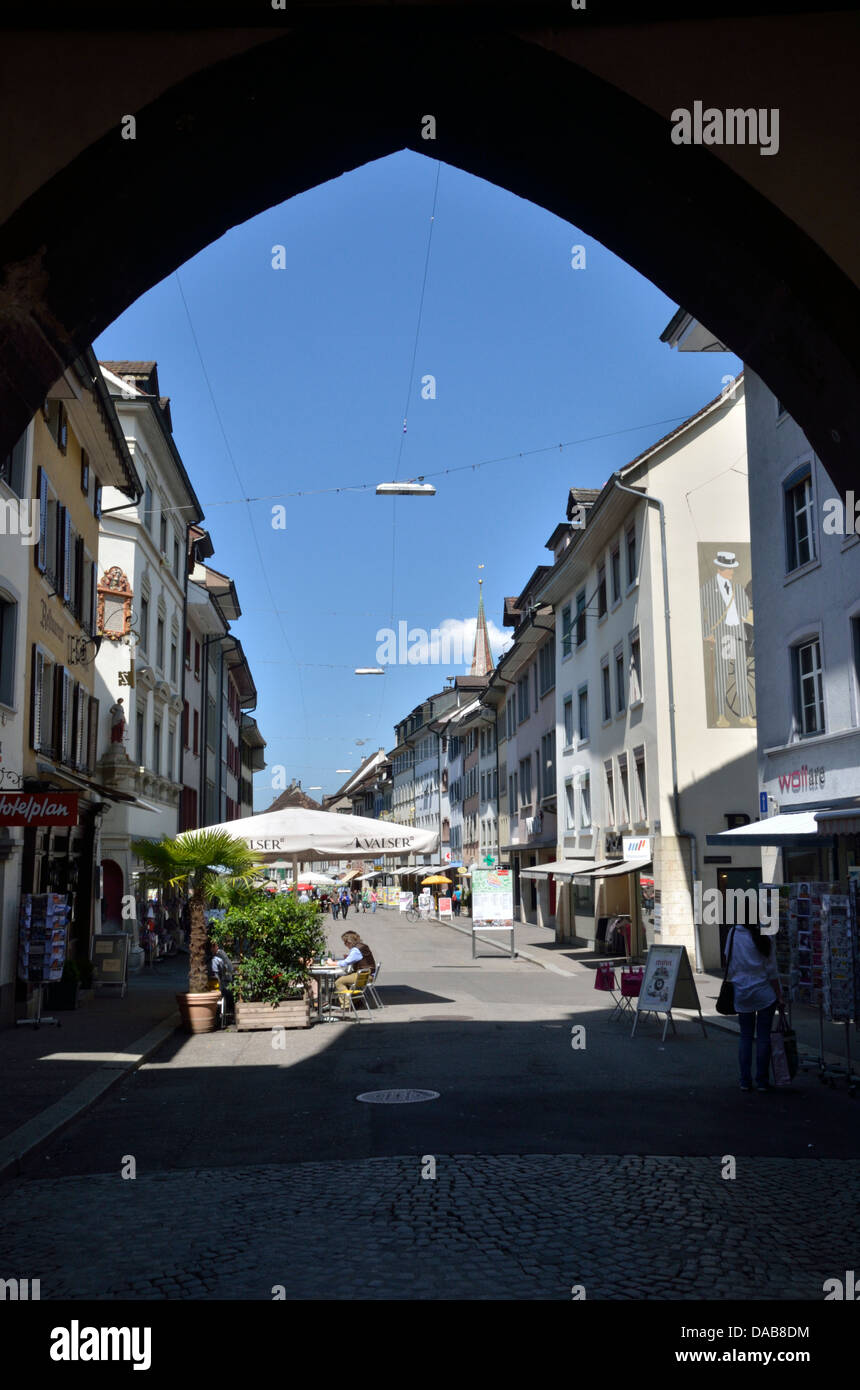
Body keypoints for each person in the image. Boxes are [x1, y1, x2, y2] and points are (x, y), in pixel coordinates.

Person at [725, 920, 782, 1092]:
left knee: (745, 1036)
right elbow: (772, 970)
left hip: (742, 992)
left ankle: (744, 1080)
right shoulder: (766, 934)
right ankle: (762, 1081)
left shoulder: (733, 933)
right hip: (764, 992)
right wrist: (779, 995)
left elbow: (728, 959)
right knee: (764, 1037)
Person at [329, 930, 376, 1012]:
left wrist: (332, 963)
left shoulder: (356, 950)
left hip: (364, 976)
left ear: (349, 942)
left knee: (339, 982)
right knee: (344, 979)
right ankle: (357, 1002)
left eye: (345, 942)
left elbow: (345, 963)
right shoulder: (362, 946)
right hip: (368, 975)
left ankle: (346, 1006)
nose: (345, 945)